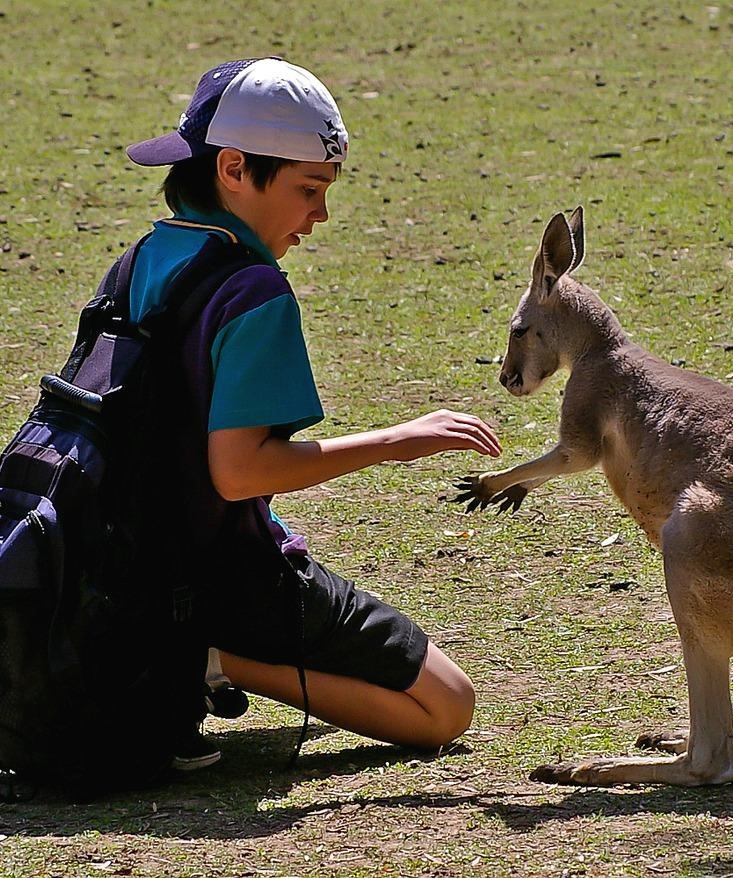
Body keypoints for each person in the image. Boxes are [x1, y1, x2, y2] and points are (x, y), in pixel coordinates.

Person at [122, 57, 501, 769]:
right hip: (221, 576)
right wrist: (395, 441)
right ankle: (215, 658)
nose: (320, 216)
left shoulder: (148, 254)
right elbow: (238, 474)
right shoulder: (254, 292)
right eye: (309, 189)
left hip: (135, 562)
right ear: (233, 168)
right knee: (445, 708)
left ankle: (195, 653)